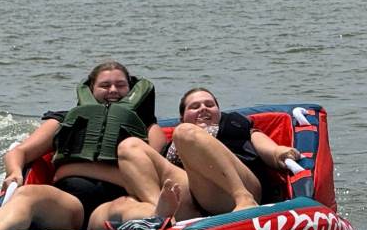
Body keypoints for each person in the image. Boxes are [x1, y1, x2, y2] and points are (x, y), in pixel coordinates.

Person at [0, 61, 178, 230]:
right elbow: (18, 152)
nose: (113, 90)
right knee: (27, 194)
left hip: (114, 201)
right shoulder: (64, 120)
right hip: (69, 204)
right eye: (105, 85)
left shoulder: (147, 128)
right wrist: (14, 172)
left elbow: (150, 173)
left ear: (130, 89)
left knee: (125, 207)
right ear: (91, 89)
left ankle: (158, 219)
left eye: (121, 85)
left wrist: (76, 168)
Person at [115, 87, 297, 219]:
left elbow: (270, 149)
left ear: (219, 112)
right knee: (129, 146)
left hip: (239, 188)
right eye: (194, 106)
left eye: (209, 104)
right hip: (193, 198)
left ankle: (243, 198)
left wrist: (280, 153)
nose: (203, 108)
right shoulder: (172, 145)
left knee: (186, 133)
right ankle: (161, 215)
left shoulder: (236, 128)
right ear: (182, 117)